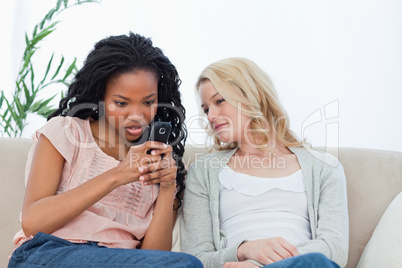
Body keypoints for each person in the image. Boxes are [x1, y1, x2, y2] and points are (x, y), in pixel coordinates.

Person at [8, 32, 202, 268]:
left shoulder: (161, 164)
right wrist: (118, 175)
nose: (137, 115)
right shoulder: (67, 133)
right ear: (100, 96)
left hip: (121, 260)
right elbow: (33, 222)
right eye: (121, 103)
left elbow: (154, 257)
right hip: (50, 252)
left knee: (184, 264)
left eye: (148, 102)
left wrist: (168, 188)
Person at [180, 57, 348, 268]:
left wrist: (260, 264)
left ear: (255, 96)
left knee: (315, 262)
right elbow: (195, 258)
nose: (211, 116)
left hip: (304, 265)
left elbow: (336, 249)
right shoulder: (203, 171)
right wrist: (244, 251)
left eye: (219, 101)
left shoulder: (324, 168)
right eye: (206, 109)